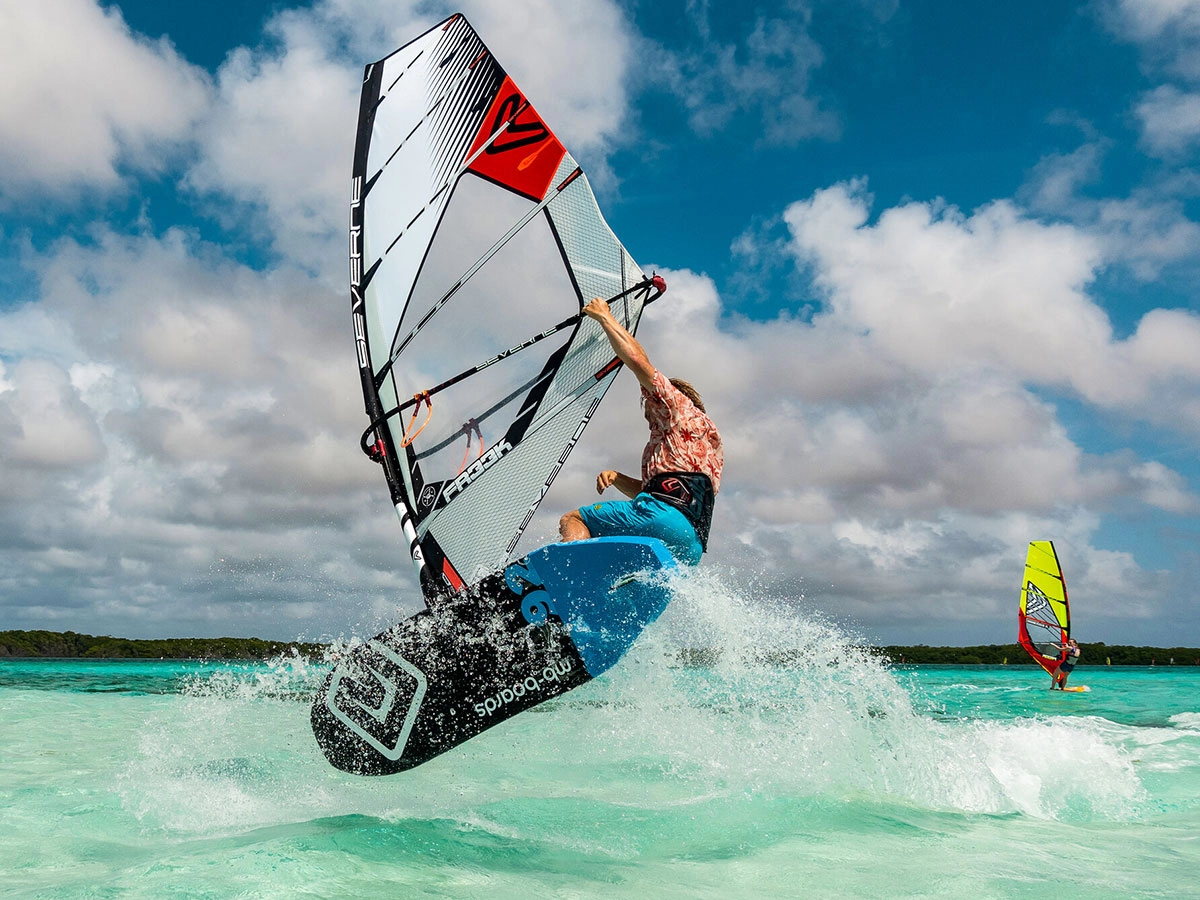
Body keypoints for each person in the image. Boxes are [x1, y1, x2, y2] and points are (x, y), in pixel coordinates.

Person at [558, 296, 723, 565]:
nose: (647, 413)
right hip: (690, 544)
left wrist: (604, 316)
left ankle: (565, 573)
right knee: (629, 578)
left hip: (660, 516)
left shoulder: (676, 406)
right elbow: (669, 494)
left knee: (574, 519)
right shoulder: (709, 444)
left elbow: (636, 359)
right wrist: (618, 478)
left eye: (648, 404)